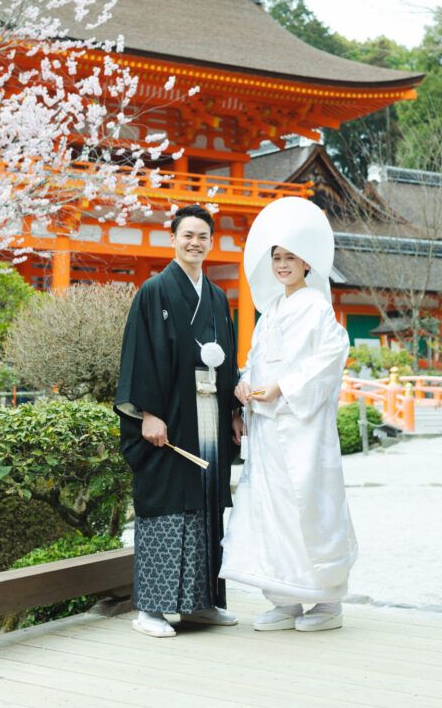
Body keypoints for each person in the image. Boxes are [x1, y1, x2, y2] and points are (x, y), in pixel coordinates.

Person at [220, 196, 357, 634]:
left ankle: (325, 602)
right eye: (276, 257)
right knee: (269, 508)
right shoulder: (271, 311)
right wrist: (244, 386)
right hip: (266, 426)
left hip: (303, 427)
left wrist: (285, 386)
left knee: (309, 505)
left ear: (306, 263)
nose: (282, 265)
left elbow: (332, 356)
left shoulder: (317, 307)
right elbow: (258, 361)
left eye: (290, 257)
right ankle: (283, 597)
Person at [115, 203, 242, 638]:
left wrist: (233, 411)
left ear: (211, 242)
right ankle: (150, 608)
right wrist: (148, 414)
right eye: (187, 235)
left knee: (206, 504)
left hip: (208, 414)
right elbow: (140, 355)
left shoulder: (218, 297)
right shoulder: (154, 290)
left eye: (202, 236)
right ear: (173, 239)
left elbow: (229, 361)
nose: (195, 242)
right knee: (166, 504)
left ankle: (200, 604)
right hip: (169, 418)